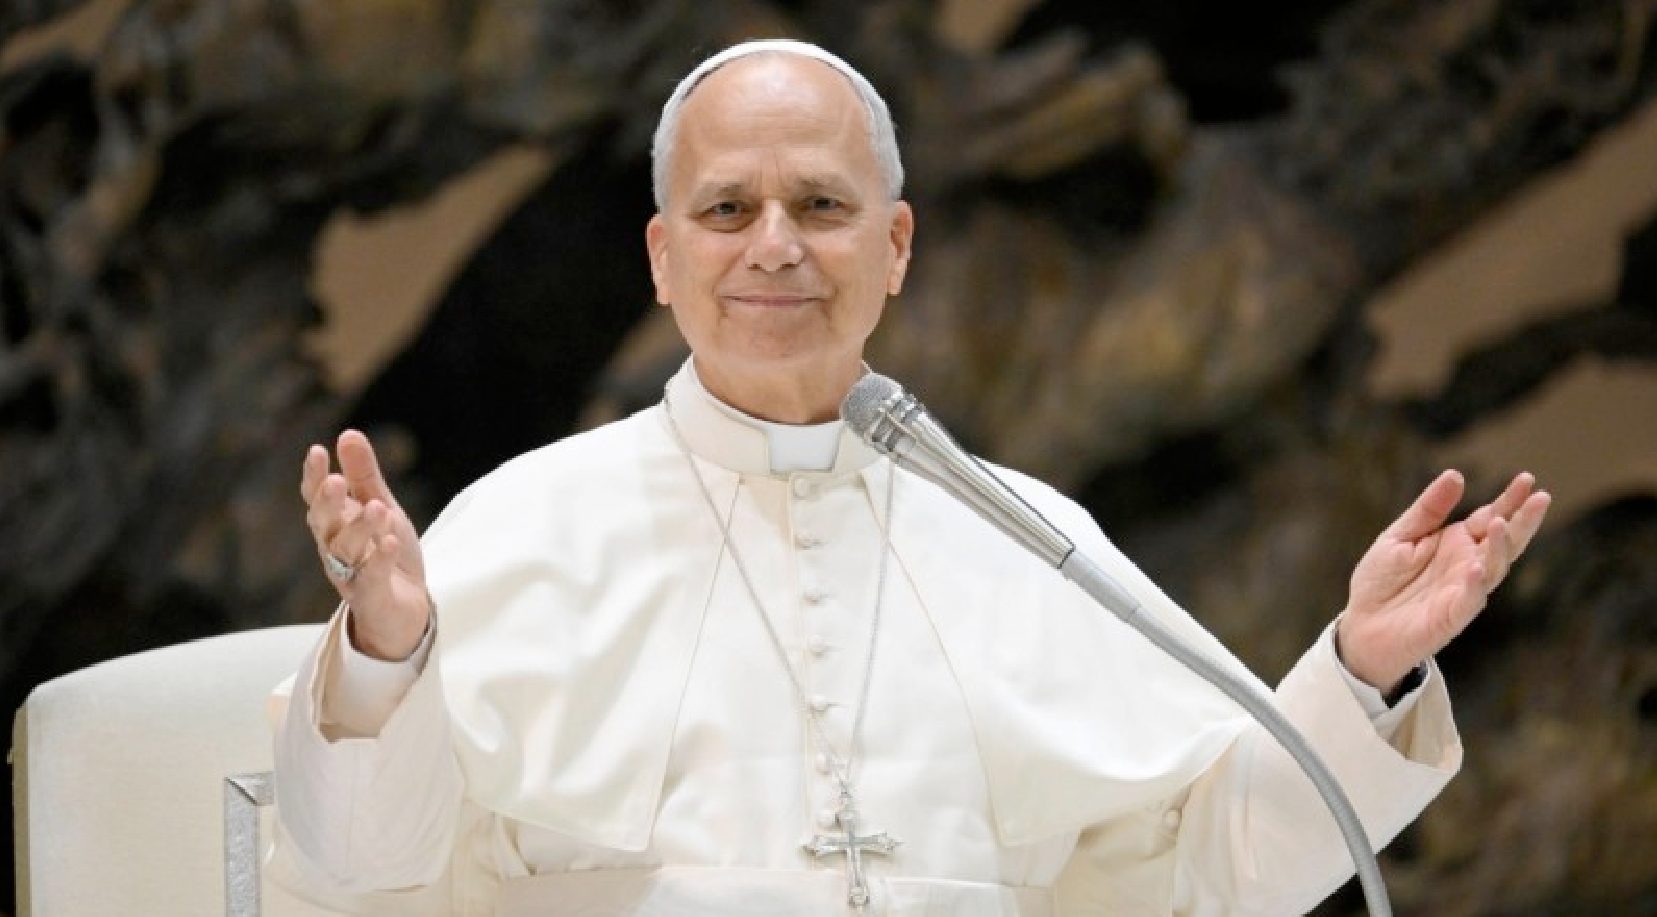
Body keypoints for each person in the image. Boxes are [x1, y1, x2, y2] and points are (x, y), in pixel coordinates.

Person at [271, 39, 1552, 916]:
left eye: (822, 207)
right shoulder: (521, 522)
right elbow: (361, 862)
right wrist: (384, 650)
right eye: (727, 211)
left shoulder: (1026, 531)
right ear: (660, 258)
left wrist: (1359, 667)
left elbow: (1220, 871)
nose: (775, 246)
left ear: (894, 247)